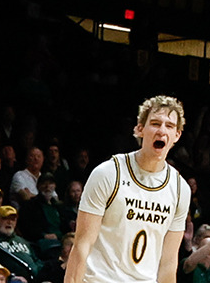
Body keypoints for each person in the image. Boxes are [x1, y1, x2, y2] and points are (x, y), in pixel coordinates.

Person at [67, 97, 190, 283]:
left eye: (169, 126)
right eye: (155, 123)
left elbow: (168, 262)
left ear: (177, 135)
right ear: (139, 129)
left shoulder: (181, 189)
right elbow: (82, 246)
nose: (162, 131)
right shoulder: (108, 173)